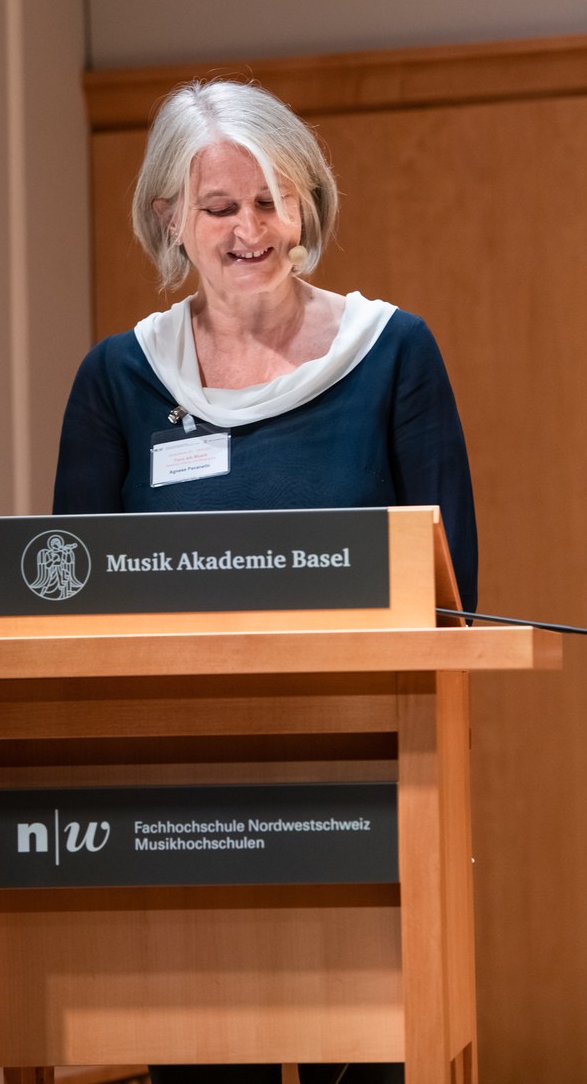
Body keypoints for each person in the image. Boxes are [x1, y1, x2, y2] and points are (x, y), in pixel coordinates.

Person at [53, 79, 478, 1084]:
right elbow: (67, 601)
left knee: (367, 1054)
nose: (250, 230)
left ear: (305, 206)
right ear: (170, 217)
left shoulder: (391, 353)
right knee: (207, 1059)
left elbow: (450, 589)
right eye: (219, 207)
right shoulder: (119, 379)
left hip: (365, 781)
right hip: (179, 793)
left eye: (270, 201)